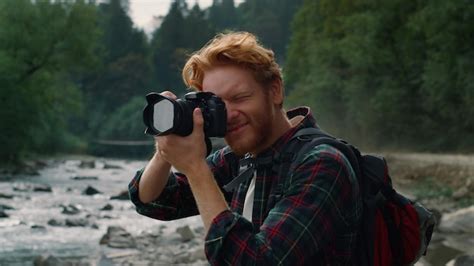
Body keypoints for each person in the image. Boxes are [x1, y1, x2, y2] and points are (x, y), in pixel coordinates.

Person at [129, 31, 362, 265]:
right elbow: (155, 201)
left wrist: (196, 168)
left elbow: (257, 260)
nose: (229, 115)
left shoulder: (323, 164)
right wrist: (166, 147)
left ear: (275, 91)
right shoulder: (239, 159)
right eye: (217, 104)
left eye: (240, 97)